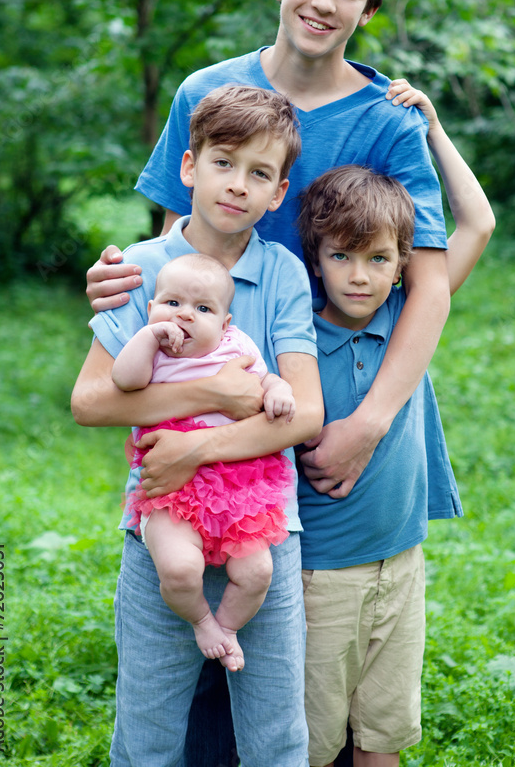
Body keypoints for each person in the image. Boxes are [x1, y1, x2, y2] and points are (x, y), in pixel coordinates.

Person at [85, 0, 452, 766]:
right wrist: (121, 290)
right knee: (186, 680)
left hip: (326, 403)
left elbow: (429, 282)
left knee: (304, 644)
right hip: (199, 399)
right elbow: (180, 242)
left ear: (369, 10)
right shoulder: (204, 91)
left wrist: (369, 422)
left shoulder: (387, 117)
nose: (323, 2)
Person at [72, 85, 324, 767]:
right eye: (223, 162)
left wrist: (194, 448)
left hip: (266, 530)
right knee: (149, 732)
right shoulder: (140, 269)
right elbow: (92, 401)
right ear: (187, 167)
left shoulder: (284, 274)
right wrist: (215, 390)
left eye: (260, 173)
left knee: (276, 735)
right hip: (157, 530)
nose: (237, 185)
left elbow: (303, 413)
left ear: (279, 193)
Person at [296, 99, 494, 767]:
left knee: (383, 738)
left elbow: (479, 221)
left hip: (402, 560)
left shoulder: (410, 316)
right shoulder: (292, 338)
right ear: (315, 258)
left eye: (379, 259)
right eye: (342, 256)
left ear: (403, 261)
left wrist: (434, 131)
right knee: (314, 744)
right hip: (317, 577)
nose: (360, 275)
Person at [112, 252, 297, 673]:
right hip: (172, 490)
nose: (185, 317)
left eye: (203, 308)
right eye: (172, 303)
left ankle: (226, 628)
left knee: (256, 572)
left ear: (225, 324)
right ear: (151, 309)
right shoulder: (154, 354)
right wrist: (148, 336)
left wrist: (278, 388)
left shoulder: (237, 346)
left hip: (238, 488)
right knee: (179, 569)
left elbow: (264, 378)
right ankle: (201, 621)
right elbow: (125, 381)